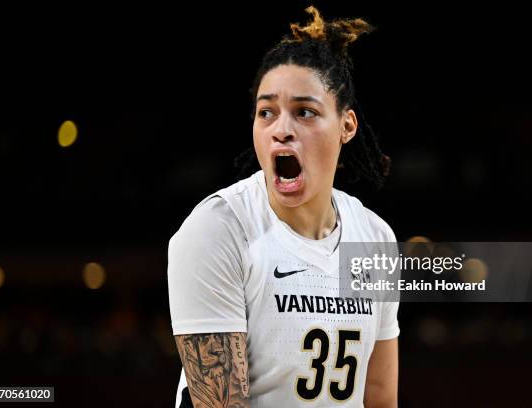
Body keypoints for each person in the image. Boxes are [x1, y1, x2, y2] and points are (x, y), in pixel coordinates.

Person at [168, 6, 399, 407]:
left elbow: (378, 395)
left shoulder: (375, 239)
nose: (281, 130)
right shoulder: (219, 229)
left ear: (346, 126)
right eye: (266, 112)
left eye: (304, 112)